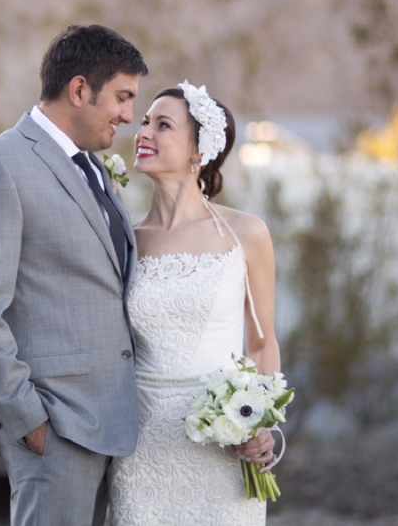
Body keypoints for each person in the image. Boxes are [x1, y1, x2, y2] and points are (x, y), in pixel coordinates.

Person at [0, 25, 147, 525]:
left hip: (119, 428)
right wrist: (27, 420)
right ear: (79, 90)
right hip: (56, 430)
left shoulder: (95, 170)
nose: (128, 114)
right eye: (121, 97)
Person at [108, 81, 280, 525]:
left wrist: (259, 423)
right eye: (144, 122)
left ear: (198, 150)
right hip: (141, 451)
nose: (143, 132)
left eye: (162, 125)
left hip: (221, 450)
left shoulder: (246, 234)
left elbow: (262, 345)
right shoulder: (124, 240)